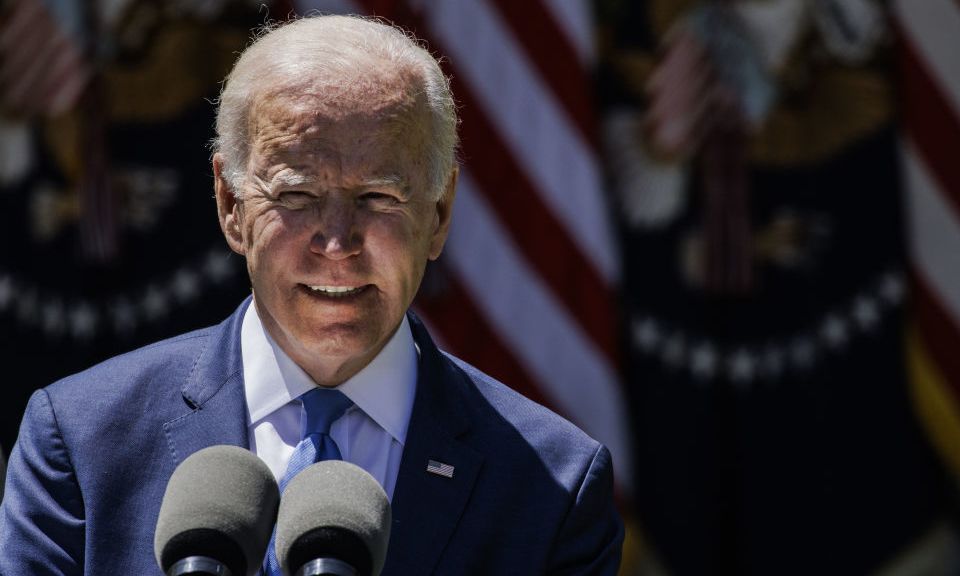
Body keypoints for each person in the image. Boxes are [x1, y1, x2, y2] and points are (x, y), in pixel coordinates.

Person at [0, 15, 624, 575]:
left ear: (439, 211)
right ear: (230, 205)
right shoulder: (80, 441)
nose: (337, 242)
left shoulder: (553, 485)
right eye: (296, 197)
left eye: (378, 197)